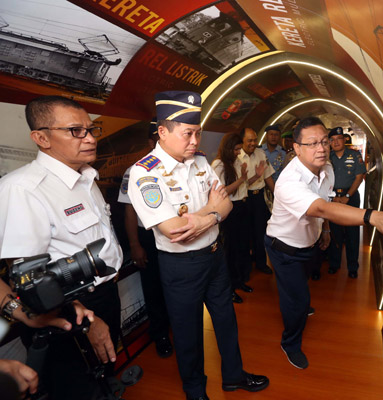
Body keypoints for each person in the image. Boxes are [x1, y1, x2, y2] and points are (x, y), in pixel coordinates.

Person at [128, 91, 269, 400]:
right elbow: (175, 230)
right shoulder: (145, 172)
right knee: (188, 332)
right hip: (182, 266)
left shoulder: (201, 161)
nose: (195, 141)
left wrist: (207, 216)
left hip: (215, 257)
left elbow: (227, 204)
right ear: (162, 132)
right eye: (187, 133)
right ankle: (195, 391)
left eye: (198, 133)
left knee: (226, 320)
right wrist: (212, 212)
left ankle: (234, 376)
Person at [264, 116, 383, 370]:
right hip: (284, 248)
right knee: (296, 300)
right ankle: (290, 343)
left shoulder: (325, 169)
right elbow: (323, 208)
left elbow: (324, 202)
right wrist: (372, 216)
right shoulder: (289, 182)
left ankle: (302, 305)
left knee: (301, 290)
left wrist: (325, 232)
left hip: (310, 243)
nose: (321, 148)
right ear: (296, 148)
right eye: (312, 143)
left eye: (324, 141)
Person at [0, 95, 123, 399]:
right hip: (68, 315)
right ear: (41, 137)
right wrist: (86, 324)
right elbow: (30, 282)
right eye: (75, 131)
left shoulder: (86, 177)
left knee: (104, 379)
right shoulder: (23, 189)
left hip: (106, 297)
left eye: (91, 129)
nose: (90, 138)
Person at [118, 119, 173, 358]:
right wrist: (135, 245)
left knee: (175, 285)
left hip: (175, 234)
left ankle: (178, 328)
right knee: (153, 287)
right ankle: (160, 333)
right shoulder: (136, 171)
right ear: (152, 140)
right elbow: (129, 211)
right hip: (149, 236)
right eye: (157, 138)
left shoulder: (178, 166)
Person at [211, 132, 253, 303]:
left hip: (242, 205)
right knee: (231, 249)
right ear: (228, 148)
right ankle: (229, 288)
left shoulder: (236, 161)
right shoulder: (218, 164)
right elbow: (223, 191)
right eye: (236, 149)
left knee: (243, 247)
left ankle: (239, 281)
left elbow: (244, 185)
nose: (238, 152)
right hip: (230, 209)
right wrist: (242, 178)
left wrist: (245, 178)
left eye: (239, 149)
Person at [327, 127, 367, 278]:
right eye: (332, 140)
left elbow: (359, 177)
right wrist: (332, 197)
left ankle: (352, 267)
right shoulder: (327, 157)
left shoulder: (354, 155)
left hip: (351, 197)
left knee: (352, 233)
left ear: (344, 140)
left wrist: (348, 196)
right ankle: (334, 263)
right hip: (333, 197)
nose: (336, 142)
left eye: (339, 139)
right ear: (329, 142)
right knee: (334, 231)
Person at [238, 127, 275, 275]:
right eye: (250, 140)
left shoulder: (260, 153)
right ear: (242, 141)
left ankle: (261, 262)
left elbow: (268, 177)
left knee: (261, 232)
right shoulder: (237, 156)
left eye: (255, 140)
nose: (253, 143)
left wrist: (278, 196)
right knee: (245, 233)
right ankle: (246, 266)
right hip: (244, 198)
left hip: (259, 197)